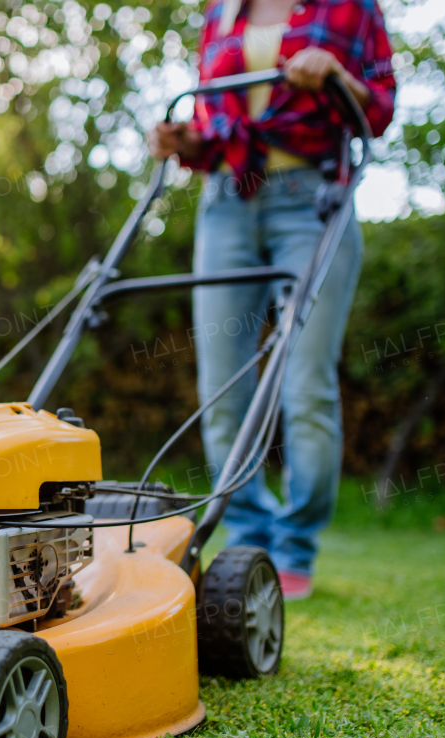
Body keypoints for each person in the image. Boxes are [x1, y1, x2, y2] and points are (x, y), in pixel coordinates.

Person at [149, 0, 396, 599]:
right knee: (222, 386)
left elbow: (381, 106)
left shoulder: (351, 7)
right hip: (228, 201)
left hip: (312, 198)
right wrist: (183, 138)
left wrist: (337, 74)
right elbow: (216, 124)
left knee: (305, 378)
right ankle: (249, 538)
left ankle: (295, 548)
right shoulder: (219, 11)